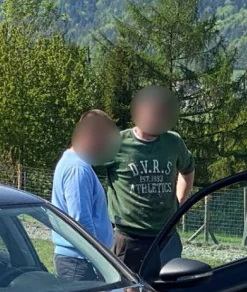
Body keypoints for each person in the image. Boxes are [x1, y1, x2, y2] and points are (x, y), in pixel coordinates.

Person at [101, 85, 195, 272]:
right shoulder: (117, 143)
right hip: (129, 239)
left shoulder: (173, 142)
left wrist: (180, 201)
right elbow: (84, 168)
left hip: (166, 237)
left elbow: (188, 168)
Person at [50, 110, 119, 280]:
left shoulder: (73, 162)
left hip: (80, 260)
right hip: (80, 263)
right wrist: (100, 261)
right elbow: (81, 221)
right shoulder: (78, 169)